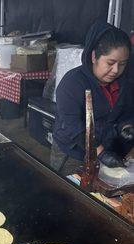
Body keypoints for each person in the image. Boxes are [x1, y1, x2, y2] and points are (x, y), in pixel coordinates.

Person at [50, 21, 134, 176]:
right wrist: (100, 152)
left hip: (108, 148)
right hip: (73, 153)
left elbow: (127, 111)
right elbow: (73, 126)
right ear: (94, 56)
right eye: (110, 63)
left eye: (122, 64)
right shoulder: (73, 83)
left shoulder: (124, 83)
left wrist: (126, 126)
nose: (116, 70)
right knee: (69, 194)